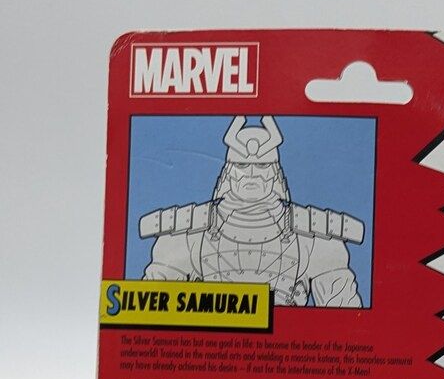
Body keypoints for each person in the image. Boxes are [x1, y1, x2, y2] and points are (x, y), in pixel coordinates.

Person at [139, 116, 364, 307]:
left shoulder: (315, 238)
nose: (252, 174)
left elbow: (346, 319)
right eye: (242, 166)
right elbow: (152, 310)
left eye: (262, 166)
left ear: (275, 172)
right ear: (228, 171)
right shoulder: (187, 234)